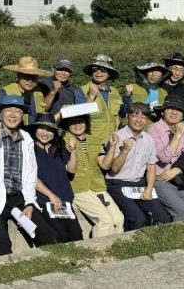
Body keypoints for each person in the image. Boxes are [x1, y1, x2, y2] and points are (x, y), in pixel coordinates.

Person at [0, 94, 60, 255]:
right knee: (2, 241)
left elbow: (30, 174)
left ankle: (49, 266)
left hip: (19, 198)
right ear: (1, 114)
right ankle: (6, 271)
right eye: (9, 110)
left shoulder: (26, 138)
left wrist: (29, 203)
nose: (13, 115)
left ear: (22, 116)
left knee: (48, 234)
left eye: (18, 111)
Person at [104, 103, 171, 230]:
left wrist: (149, 188)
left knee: (163, 217)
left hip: (139, 184)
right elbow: (114, 169)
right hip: (118, 183)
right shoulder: (117, 137)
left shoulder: (148, 139)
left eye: (143, 117)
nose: (139, 120)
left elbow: (151, 166)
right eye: (135, 115)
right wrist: (125, 151)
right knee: (138, 219)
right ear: (127, 116)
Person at [61, 109, 124, 237]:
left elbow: (105, 165)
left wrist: (112, 146)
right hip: (79, 189)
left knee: (118, 219)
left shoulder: (94, 140)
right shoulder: (63, 141)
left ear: (86, 123)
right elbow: (71, 170)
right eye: (73, 122)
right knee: (105, 220)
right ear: (68, 125)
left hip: (97, 186)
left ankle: (115, 247)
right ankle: (99, 249)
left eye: (80, 121)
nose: (77, 125)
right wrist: (73, 151)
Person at [31, 113, 84, 243]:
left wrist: (73, 151)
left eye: (49, 130)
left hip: (64, 201)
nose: (45, 133)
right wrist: (51, 195)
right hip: (44, 201)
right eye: (42, 128)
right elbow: (31, 177)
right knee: (60, 235)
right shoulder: (29, 150)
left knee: (77, 234)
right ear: (35, 130)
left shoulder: (59, 148)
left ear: (54, 133)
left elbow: (71, 170)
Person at [81, 54, 123, 140]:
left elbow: (117, 115)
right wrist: (91, 96)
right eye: (95, 69)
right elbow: (80, 117)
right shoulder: (82, 90)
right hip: (91, 141)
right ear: (91, 73)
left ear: (109, 74)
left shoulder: (114, 91)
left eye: (103, 69)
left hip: (112, 140)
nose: (98, 72)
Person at [0, 56, 52, 125]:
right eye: (26, 76)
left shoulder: (38, 92)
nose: (30, 80)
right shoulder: (6, 91)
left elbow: (43, 110)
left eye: (34, 77)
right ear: (18, 76)